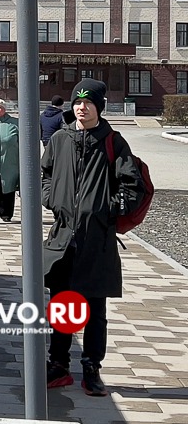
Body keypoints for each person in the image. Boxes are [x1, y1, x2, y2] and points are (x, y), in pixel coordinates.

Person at [41, 78, 150, 397]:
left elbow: (134, 186)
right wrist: (51, 199)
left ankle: (92, 368)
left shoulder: (113, 141)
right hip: (63, 238)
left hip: (97, 242)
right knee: (63, 305)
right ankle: (58, 365)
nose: (81, 107)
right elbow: (45, 174)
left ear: (99, 107)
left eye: (88, 103)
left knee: (94, 310)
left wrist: (108, 208)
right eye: (77, 102)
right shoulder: (60, 139)